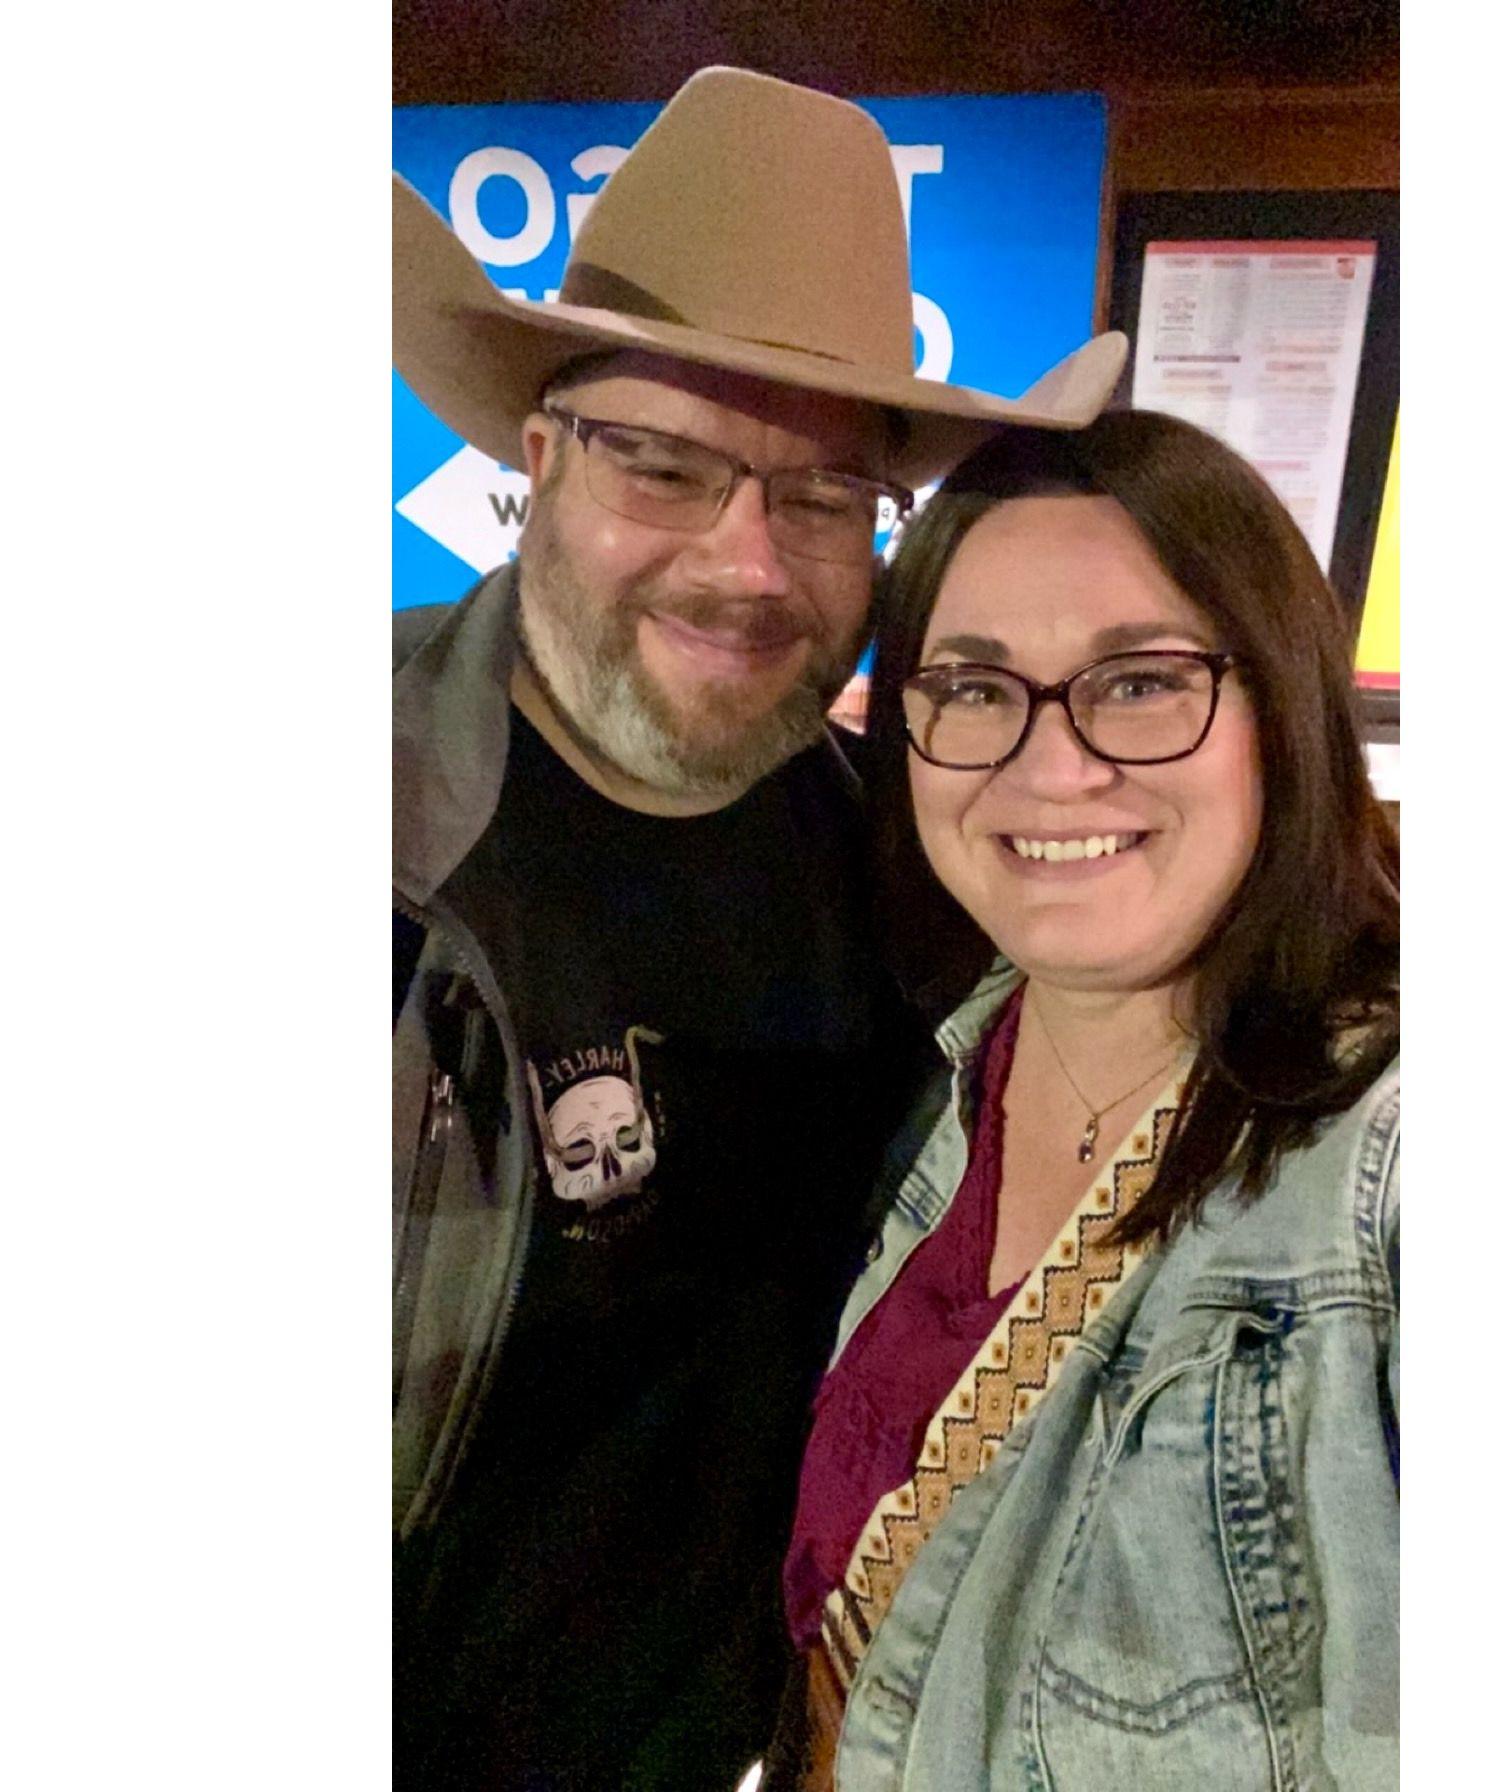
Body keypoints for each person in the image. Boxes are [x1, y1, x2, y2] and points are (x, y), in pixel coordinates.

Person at [390, 67, 1124, 1792]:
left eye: (820, 499)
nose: (749, 567)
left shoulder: (922, 873)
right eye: (665, 465)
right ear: (538, 462)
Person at [772, 410, 1400, 1790]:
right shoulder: (952, 1062)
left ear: (1282, 707)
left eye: (1140, 681)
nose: (1052, 767)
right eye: (974, 686)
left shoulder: (1384, 1169)